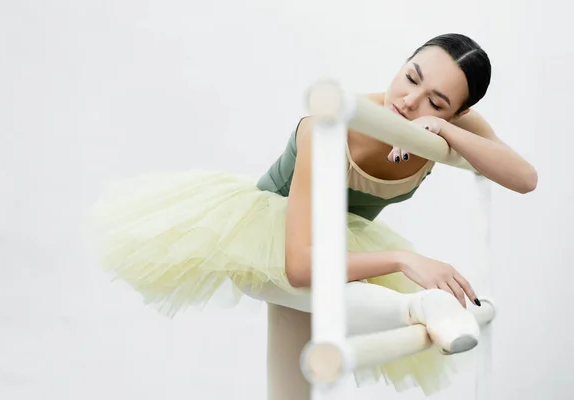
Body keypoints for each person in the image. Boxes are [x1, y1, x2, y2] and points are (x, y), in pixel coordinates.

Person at [88, 33, 537, 395]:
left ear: (460, 112)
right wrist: (404, 261)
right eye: (409, 77)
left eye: (437, 103)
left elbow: (524, 178)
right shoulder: (329, 125)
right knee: (302, 299)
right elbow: (299, 267)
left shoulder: (449, 125)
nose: (409, 101)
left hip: (338, 244)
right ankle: (422, 305)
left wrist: (441, 130)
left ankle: (424, 305)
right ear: (402, 63)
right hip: (268, 240)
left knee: (288, 386)